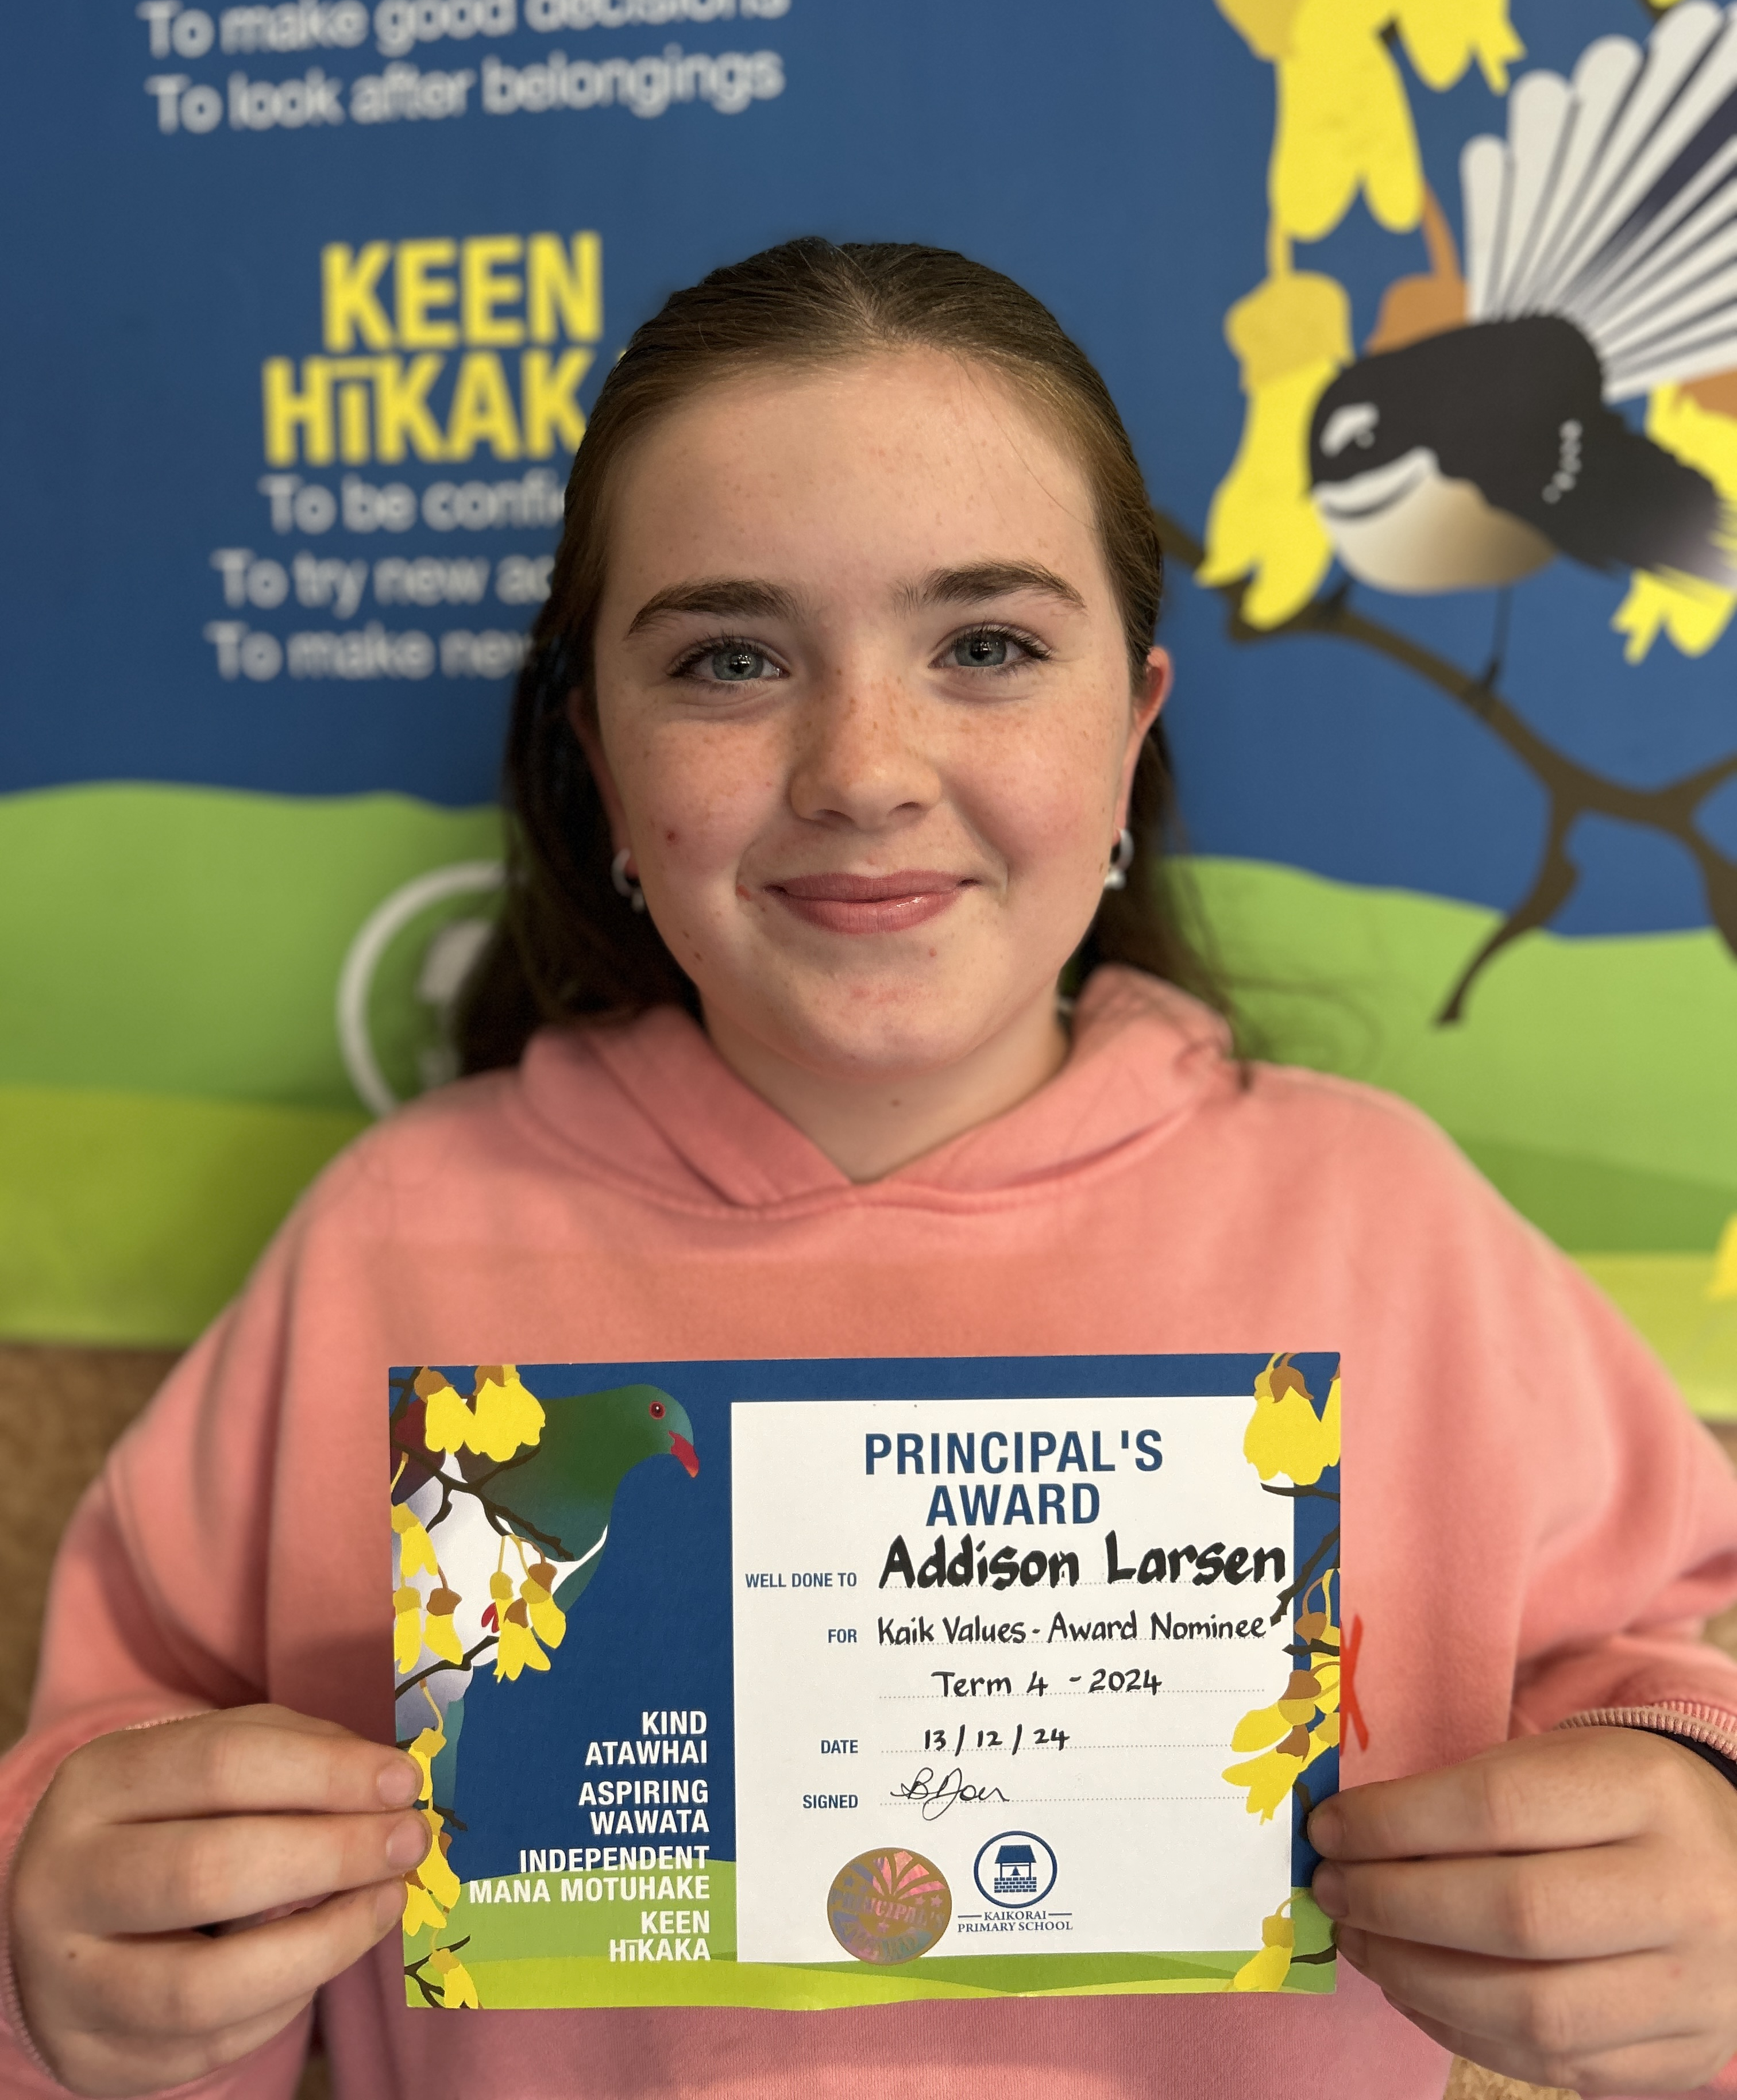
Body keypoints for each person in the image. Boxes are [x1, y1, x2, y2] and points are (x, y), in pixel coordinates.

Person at [5, 239, 1737, 2100]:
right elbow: (118, 1790)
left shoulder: (1391, 1229)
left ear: (1132, 726)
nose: (864, 767)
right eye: (730, 660)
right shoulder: (389, 1243)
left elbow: (1673, 1652)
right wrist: (68, 1958)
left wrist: (1694, 1826)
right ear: (601, 757)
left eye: (985, 647)